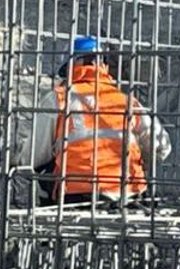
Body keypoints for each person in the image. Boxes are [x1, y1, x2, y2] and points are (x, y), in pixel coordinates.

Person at [31, 36, 166, 206]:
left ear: (70, 66)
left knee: (46, 170)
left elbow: (34, 156)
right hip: (128, 196)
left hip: (77, 197)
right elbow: (161, 147)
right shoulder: (127, 101)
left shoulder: (58, 98)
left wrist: (15, 159)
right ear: (103, 65)